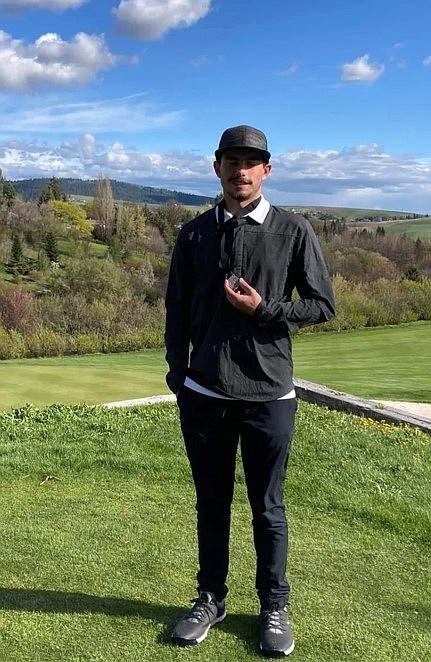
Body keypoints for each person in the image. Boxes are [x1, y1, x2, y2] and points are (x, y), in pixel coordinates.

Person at [164, 125, 335, 657]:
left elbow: (322, 306)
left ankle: (273, 607)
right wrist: (180, 377)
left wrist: (264, 310)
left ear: (267, 170)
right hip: (205, 395)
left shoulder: (293, 231)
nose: (241, 170)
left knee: (268, 508)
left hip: (269, 395)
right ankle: (210, 599)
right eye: (231, 161)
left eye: (251, 162)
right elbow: (175, 312)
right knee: (211, 504)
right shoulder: (194, 233)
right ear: (217, 168)